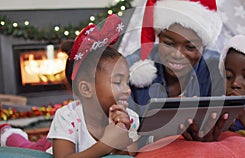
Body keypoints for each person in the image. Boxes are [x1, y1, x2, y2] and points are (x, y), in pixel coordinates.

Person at [1, 14, 140, 158]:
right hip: (50, 146)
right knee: (26, 147)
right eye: (118, 82)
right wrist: (105, 144)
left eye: (127, 82)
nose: (127, 90)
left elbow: (128, 154)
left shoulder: (130, 117)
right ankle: (8, 133)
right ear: (86, 89)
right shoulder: (68, 117)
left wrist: (123, 135)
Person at [121, 0, 229, 144]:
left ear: (203, 46)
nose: (178, 55)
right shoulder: (132, 66)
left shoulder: (218, 68)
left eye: (190, 47)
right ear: (159, 37)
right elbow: (123, 133)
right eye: (169, 43)